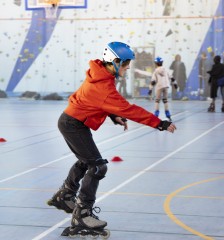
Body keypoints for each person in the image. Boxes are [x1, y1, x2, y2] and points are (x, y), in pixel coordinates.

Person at [47, 41, 176, 236]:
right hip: (73, 124)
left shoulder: (100, 75)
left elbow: (96, 102)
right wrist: (160, 123)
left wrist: (112, 115)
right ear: (115, 62)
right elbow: (129, 109)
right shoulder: (104, 86)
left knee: (87, 161)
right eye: (125, 64)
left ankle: (65, 194)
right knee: (98, 166)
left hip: (74, 122)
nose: (128, 67)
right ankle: (82, 215)